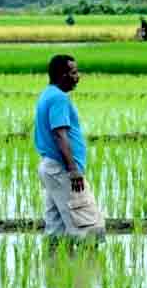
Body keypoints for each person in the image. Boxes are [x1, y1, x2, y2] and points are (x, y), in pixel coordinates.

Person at [34, 54, 105, 241]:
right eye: (74, 72)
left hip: (51, 168)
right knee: (88, 228)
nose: (78, 76)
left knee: (56, 230)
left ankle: (55, 260)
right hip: (62, 170)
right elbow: (60, 134)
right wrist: (73, 170)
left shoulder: (47, 94)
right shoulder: (59, 98)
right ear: (62, 75)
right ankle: (88, 260)